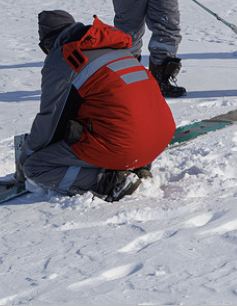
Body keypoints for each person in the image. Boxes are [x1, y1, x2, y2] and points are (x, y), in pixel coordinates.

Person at [18, 10, 176, 202]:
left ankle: (111, 181)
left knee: (36, 167)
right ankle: (135, 167)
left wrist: (27, 154)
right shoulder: (114, 47)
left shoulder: (64, 58)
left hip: (125, 146)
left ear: (48, 43)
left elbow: (50, 119)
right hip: (160, 138)